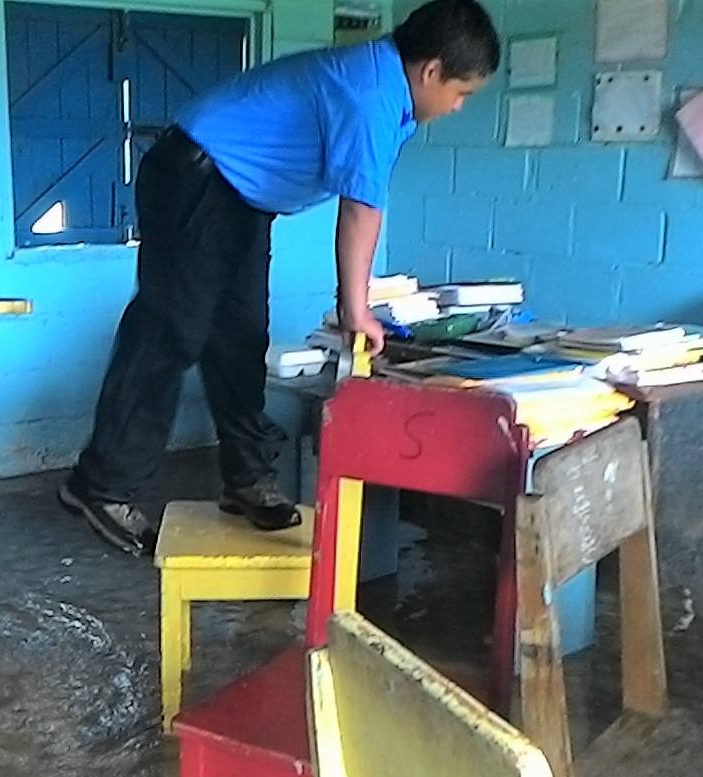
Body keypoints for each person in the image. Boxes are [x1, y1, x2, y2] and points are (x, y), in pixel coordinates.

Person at [58, 0, 500, 556]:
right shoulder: (371, 93)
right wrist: (354, 306)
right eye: (461, 92)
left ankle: (245, 477)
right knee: (172, 329)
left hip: (239, 195)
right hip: (196, 176)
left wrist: (353, 301)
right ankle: (100, 485)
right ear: (430, 70)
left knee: (241, 335)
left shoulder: (388, 90)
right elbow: (362, 208)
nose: (459, 106)